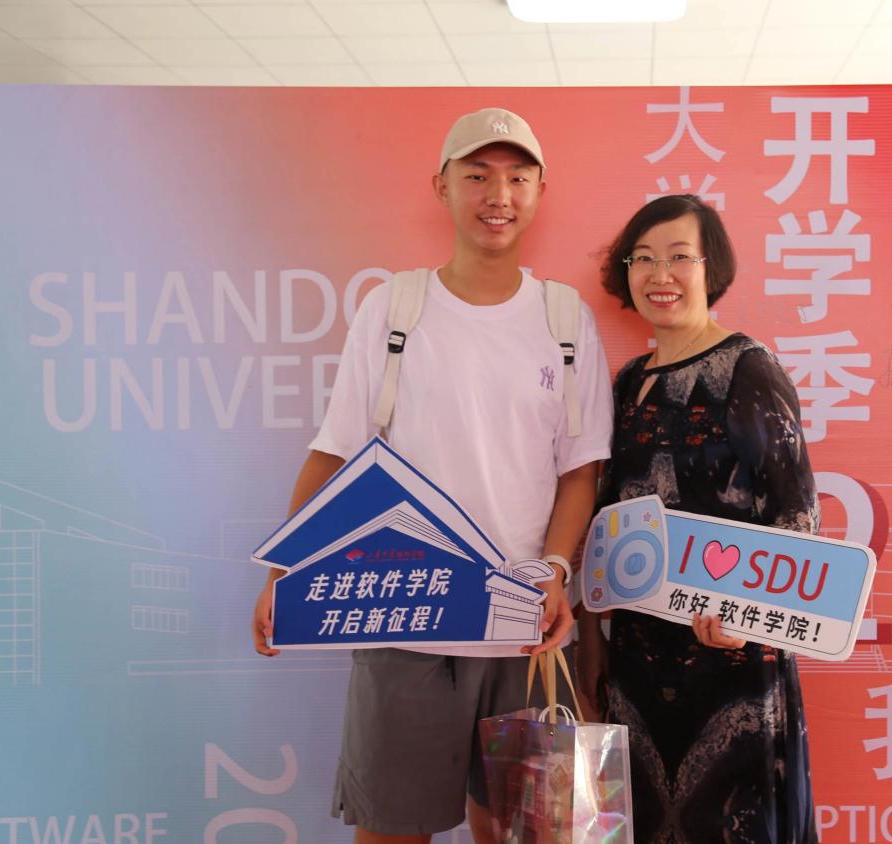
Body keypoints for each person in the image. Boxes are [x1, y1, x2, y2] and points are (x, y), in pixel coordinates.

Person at [251, 107, 614, 844]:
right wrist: (285, 570)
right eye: (476, 175)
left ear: (539, 192)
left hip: (526, 626)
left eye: (516, 178)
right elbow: (336, 452)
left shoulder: (563, 318)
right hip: (404, 615)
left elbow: (581, 469)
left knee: (528, 833)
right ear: (441, 187)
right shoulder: (395, 307)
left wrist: (553, 570)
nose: (497, 195)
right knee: (391, 829)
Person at [577, 194, 819, 844]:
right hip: (636, 661)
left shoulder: (748, 368)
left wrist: (744, 619)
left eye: (679, 257)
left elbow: (797, 516)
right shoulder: (628, 382)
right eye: (643, 259)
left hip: (730, 666)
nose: (661, 275)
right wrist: (593, 636)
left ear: (711, 268)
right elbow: (603, 521)